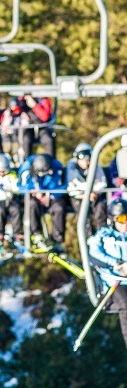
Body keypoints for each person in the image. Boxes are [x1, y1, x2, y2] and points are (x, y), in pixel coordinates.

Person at [87, 199, 127, 349]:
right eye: (121, 219)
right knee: (126, 304)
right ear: (113, 219)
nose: (125, 223)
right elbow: (94, 254)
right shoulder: (104, 235)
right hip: (115, 281)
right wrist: (116, 263)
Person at [17, 153, 68, 249]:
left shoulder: (57, 167)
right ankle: (36, 234)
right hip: (35, 197)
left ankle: (57, 239)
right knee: (32, 205)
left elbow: (62, 186)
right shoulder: (26, 169)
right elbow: (21, 186)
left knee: (59, 208)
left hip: (53, 197)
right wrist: (34, 192)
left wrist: (49, 195)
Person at [66, 142, 108, 232]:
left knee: (100, 208)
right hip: (79, 197)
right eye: (83, 160)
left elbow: (103, 183)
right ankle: (87, 237)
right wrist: (87, 194)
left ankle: (103, 233)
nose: (86, 163)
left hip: (94, 195)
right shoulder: (72, 167)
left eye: (88, 159)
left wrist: (94, 192)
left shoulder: (95, 165)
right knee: (84, 215)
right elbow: (72, 187)